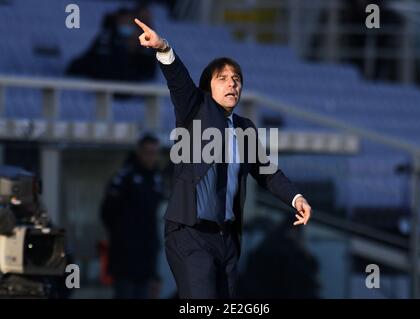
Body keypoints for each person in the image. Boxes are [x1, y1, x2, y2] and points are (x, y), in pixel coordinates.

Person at [134, 18, 312, 299]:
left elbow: (266, 172)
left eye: (237, 79)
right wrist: (163, 48)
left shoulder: (244, 127)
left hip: (226, 238)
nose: (232, 84)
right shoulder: (195, 109)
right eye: (224, 78)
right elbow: (178, 81)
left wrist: (295, 198)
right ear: (208, 87)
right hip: (190, 233)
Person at [100, 134, 163, 299]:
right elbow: (107, 212)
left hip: (146, 255)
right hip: (125, 256)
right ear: (139, 153)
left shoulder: (156, 179)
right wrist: (123, 236)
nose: (151, 157)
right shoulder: (123, 178)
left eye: (154, 153)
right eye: (148, 152)